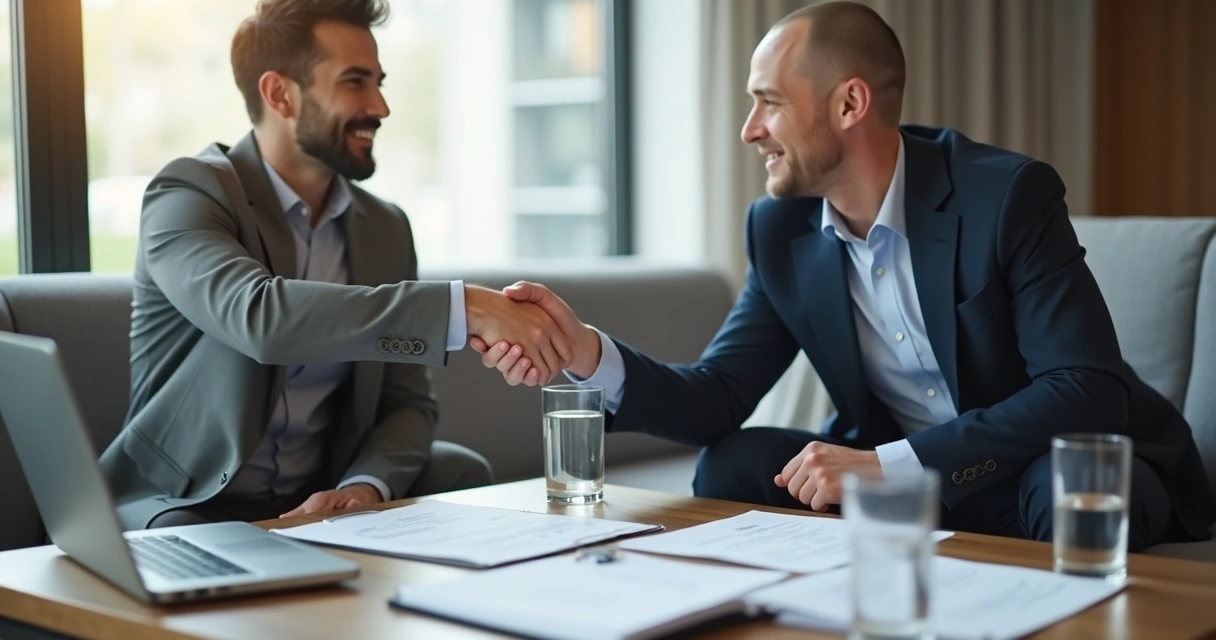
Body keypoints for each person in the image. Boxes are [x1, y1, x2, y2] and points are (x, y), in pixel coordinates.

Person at [472, 1, 1216, 550]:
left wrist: (892, 466)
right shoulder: (781, 229)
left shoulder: (1005, 196)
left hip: (1036, 469)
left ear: (850, 103)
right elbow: (716, 398)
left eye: (768, 103)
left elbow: (1085, 389)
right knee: (733, 463)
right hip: (911, 485)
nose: (750, 130)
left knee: (1071, 488)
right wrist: (587, 353)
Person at [100, 0, 570, 531]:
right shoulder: (189, 193)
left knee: (461, 470)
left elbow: (407, 404)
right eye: (354, 82)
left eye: (379, 83)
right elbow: (260, 319)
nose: (381, 107)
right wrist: (464, 308)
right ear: (280, 94)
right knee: (184, 539)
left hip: (317, 494)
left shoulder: (385, 227)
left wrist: (365, 487)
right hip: (188, 499)